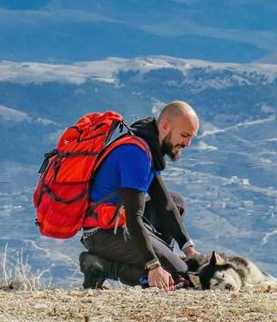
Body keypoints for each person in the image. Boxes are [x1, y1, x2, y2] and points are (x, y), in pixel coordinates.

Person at [78, 101, 200, 290]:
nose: (187, 144)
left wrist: (188, 248)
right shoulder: (136, 154)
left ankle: (163, 261)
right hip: (103, 233)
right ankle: (102, 265)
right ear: (165, 126)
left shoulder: (148, 145)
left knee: (177, 201)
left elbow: (165, 204)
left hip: (120, 221)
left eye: (191, 137)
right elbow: (134, 217)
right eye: (184, 136)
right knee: (182, 278)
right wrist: (153, 264)